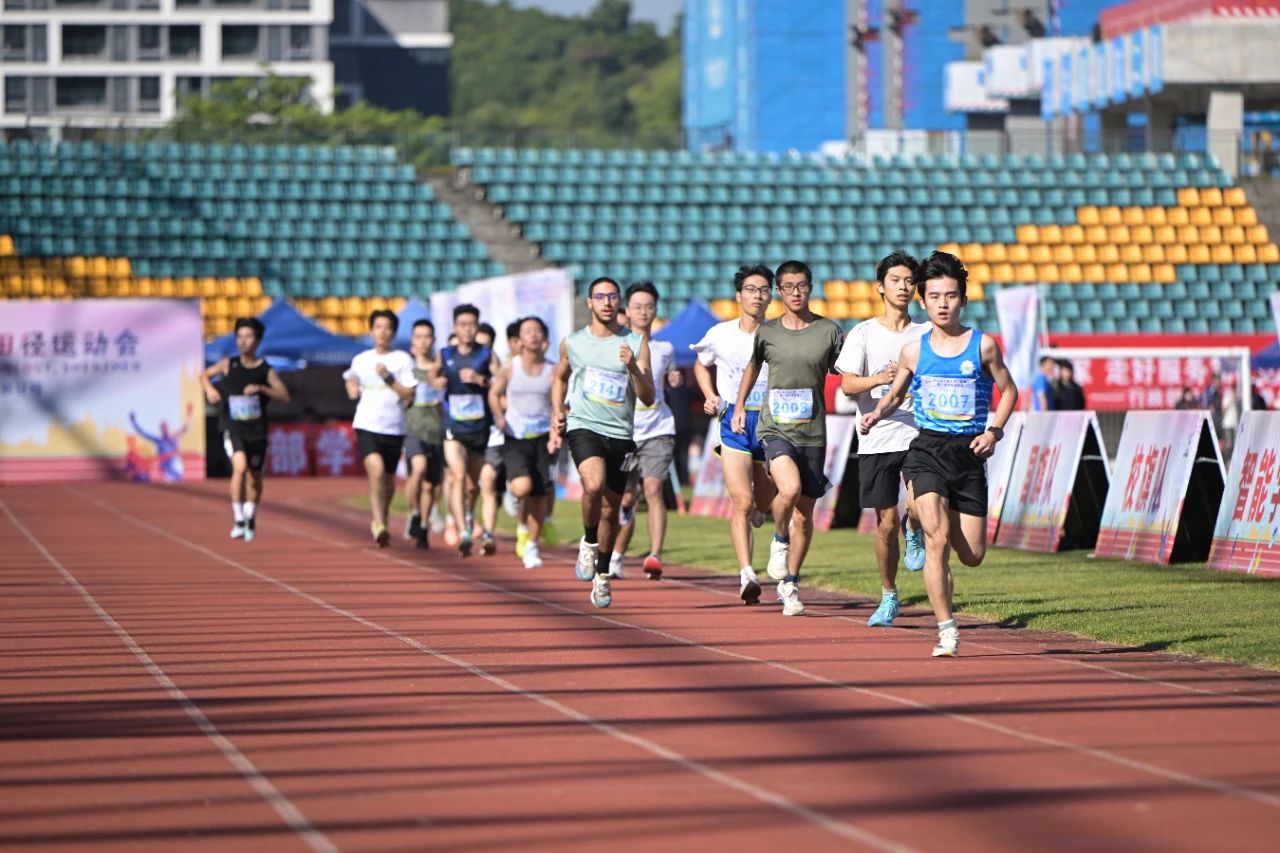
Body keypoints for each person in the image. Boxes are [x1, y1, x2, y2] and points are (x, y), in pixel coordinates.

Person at [860, 251, 1018, 657]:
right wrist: (877, 413)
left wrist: (994, 431)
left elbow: (1010, 391)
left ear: (962, 299)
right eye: (934, 296)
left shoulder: (983, 346)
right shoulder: (914, 351)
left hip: (968, 455)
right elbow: (895, 394)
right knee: (938, 539)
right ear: (923, 301)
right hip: (927, 449)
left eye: (950, 296)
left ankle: (916, 518)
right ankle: (947, 629)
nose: (942, 303)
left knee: (972, 555)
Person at [732, 260, 845, 617]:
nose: (795, 292)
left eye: (802, 285)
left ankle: (791, 583)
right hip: (775, 428)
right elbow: (752, 367)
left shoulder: (829, 331)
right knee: (790, 489)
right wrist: (739, 407)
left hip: (813, 431)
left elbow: (847, 372)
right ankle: (779, 539)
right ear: (779, 292)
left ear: (810, 289)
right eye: (788, 286)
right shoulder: (767, 333)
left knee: (805, 516)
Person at [835, 251, 928, 627]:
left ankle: (915, 527)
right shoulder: (863, 333)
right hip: (876, 437)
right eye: (896, 280)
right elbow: (846, 385)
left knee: (920, 506)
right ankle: (889, 595)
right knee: (885, 523)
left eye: (909, 281)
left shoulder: (925, 333)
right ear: (881, 287)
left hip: (917, 434)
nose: (903, 287)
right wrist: (881, 379)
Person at [551, 276, 655, 609]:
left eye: (612, 297)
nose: (607, 302)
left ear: (619, 302)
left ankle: (603, 574)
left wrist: (633, 368)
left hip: (621, 434)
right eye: (600, 296)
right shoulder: (573, 342)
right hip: (584, 426)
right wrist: (557, 410)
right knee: (592, 485)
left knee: (612, 510)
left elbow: (648, 397)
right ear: (589, 303)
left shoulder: (636, 343)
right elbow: (559, 377)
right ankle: (589, 542)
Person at [691, 264, 777, 604]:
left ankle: (761, 510)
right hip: (734, 426)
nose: (758, 296)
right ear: (739, 295)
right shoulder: (720, 333)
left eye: (764, 290)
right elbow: (701, 363)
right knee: (740, 502)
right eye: (751, 290)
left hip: (770, 425)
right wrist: (710, 396)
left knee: (765, 501)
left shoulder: (778, 334)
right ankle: (747, 573)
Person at [611, 281, 683, 580]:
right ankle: (615, 554)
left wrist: (674, 379)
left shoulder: (665, 348)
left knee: (653, 489)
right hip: (625, 430)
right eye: (637, 306)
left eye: (649, 306)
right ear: (626, 311)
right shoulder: (618, 347)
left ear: (655, 311)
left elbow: (667, 377)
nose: (643, 311)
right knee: (625, 498)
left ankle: (654, 555)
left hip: (658, 427)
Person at [202, 317, 290, 542]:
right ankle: (238, 518)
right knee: (239, 468)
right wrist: (210, 390)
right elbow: (204, 375)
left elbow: (284, 395)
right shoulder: (228, 364)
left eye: (248, 336)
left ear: (258, 340)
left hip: (257, 430)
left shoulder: (265, 369)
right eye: (239, 336)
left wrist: (261, 388)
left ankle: (250, 514)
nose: (243, 341)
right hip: (233, 427)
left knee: (254, 477)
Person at [343, 309, 417, 547]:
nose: (382, 332)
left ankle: (382, 516)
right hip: (367, 423)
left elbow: (409, 393)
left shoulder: (402, 360)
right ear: (371, 330)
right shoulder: (361, 359)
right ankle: (378, 523)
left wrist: (388, 379)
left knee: (388, 479)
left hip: (394, 426)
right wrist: (351, 388)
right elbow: (350, 377)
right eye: (378, 327)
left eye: (387, 328)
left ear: (394, 333)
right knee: (375, 470)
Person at [489, 316, 555, 569]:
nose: (534, 335)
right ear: (520, 339)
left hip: (541, 439)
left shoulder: (552, 370)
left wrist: (558, 421)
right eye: (528, 331)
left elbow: (560, 400)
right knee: (522, 488)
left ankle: (531, 545)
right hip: (515, 437)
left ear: (545, 339)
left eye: (538, 331)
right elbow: (494, 394)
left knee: (539, 496)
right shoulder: (510, 367)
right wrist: (499, 416)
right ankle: (512, 491)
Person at [434, 304, 499, 557]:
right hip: (453, 426)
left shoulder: (486, 354)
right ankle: (462, 531)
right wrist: (436, 380)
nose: (467, 329)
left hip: (479, 427)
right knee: (458, 476)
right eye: (462, 324)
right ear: (454, 327)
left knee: (473, 486)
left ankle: (469, 515)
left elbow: (499, 384)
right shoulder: (446, 353)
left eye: (472, 325)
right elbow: (433, 374)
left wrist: (481, 381)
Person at [403, 319, 446, 550]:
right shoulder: (407, 371)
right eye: (418, 336)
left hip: (437, 432)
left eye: (427, 336)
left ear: (433, 340)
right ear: (412, 342)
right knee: (417, 470)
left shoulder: (441, 371)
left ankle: (423, 527)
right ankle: (413, 513)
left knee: (430, 486)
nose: (423, 341)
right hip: (413, 430)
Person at [129, 405, 194, 483]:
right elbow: (143, 433)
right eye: (163, 427)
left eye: (166, 427)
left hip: (175, 465)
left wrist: (189, 415)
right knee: (168, 487)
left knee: (177, 485)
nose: (165, 429)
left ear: (168, 428)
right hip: (165, 468)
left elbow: (185, 428)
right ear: (161, 429)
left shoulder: (174, 437)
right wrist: (134, 422)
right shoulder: (158, 440)